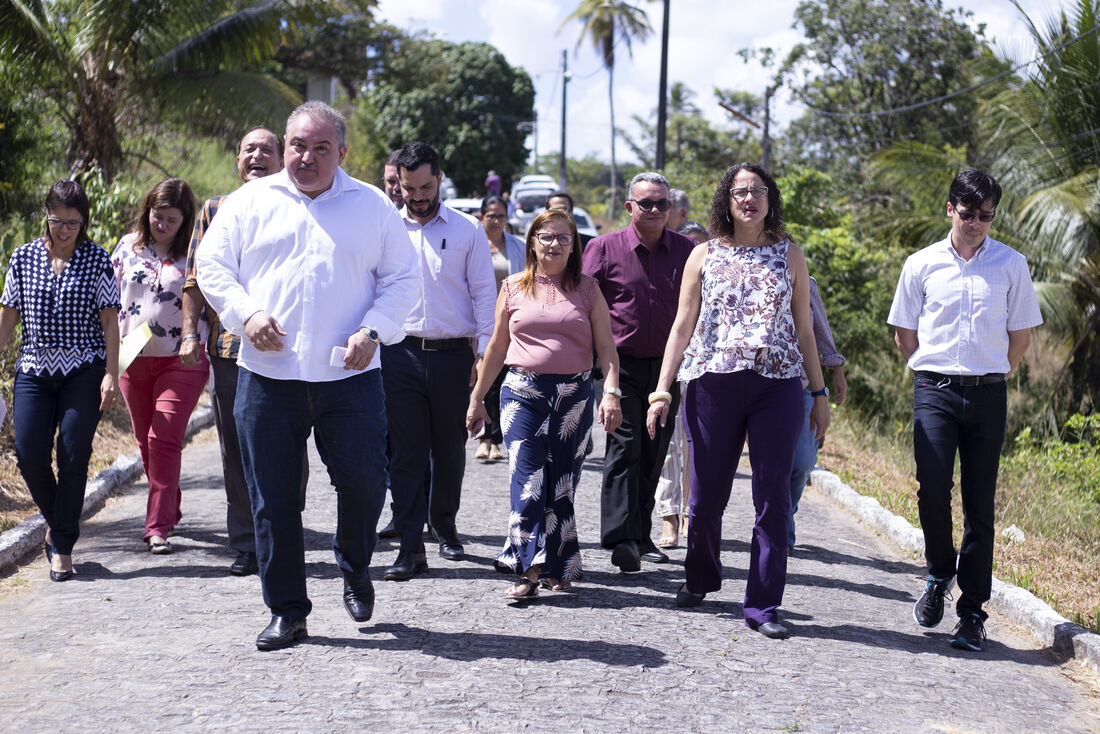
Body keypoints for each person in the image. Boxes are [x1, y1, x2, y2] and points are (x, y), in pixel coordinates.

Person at [197, 100, 419, 650]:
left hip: (350, 378)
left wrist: (373, 331)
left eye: (322, 148)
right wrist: (246, 315)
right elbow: (212, 266)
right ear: (285, 146)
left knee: (367, 487)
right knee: (272, 498)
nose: (307, 157)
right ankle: (287, 610)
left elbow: (403, 280)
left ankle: (354, 562)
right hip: (268, 378)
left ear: (342, 153)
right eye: (298, 145)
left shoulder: (371, 206)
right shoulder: (250, 202)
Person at [647, 162, 830, 640]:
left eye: (758, 191)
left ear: (770, 199)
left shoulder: (791, 255)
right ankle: (700, 577)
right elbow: (683, 326)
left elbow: (805, 330)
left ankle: (763, 605)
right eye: (739, 191)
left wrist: (819, 392)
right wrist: (662, 388)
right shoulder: (703, 254)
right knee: (707, 495)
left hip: (779, 384)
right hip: (713, 383)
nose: (749, 199)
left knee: (771, 498)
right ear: (726, 201)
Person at [887, 169, 1041, 653]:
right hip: (934, 389)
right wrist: (928, 372)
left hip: (988, 393)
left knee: (981, 505)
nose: (977, 223)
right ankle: (938, 575)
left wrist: (994, 373)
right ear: (949, 209)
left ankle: (972, 613)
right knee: (932, 488)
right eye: (969, 213)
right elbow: (904, 331)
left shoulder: (1011, 264)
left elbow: (1021, 334)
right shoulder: (921, 263)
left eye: (986, 215)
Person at [466, 208, 622, 597]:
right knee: (529, 482)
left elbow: (607, 348)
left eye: (563, 238)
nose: (554, 244)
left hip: (574, 397)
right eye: (546, 237)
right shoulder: (513, 287)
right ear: (533, 241)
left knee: (562, 486)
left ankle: (558, 567)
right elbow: (498, 347)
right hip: (522, 394)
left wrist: (613, 394)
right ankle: (527, 570)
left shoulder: (588, 289)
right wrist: (477, 398)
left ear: (574, 246)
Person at [180, 126, 307, 577]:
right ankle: (248, 542)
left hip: (291, 352)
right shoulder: (216, 209)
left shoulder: (301, 205)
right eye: (248, 150)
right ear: (237, 160)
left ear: (282, 160)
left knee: (291, 447)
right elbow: (195, 279)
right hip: (231, 350)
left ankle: (284, 528)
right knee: (236, 450)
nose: (257, 157)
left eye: (267, 151)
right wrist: (189, 334)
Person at [381, 141, 496, 580]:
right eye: (410, 188)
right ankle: (410, 546)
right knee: (405, 454)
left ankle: (444, 525)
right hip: (400, 355)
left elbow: (486, 295)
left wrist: (484, 354)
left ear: (440, 180)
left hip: (453, 359)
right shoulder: (387, 229)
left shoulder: (468, 230)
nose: (419, 195)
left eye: (426, 186)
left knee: (449, 451)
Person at [0, 180, 121, 581]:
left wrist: (110, 375)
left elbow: (110, 323)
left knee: (73, 452)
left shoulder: (97, 259)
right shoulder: (23, 258)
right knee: (29, 451)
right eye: (57, 220)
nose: (64, 230)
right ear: (46, 215)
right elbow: (8, 318)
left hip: (83, 370)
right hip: (34, 369)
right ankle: (59, 519)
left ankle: (63, 547)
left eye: (73, 222)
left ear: (83, 222)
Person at [582, 172, 697, 571]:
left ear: (672, 208)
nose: (653, 210)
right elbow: (583, 307)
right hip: (619, 367)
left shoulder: (687, 251)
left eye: (661, 203)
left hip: (668, 370)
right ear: (629, 206)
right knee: (624, 445)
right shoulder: (602, 249)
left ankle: (641, 534)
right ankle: (621, 537)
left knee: (653, 451)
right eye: (645, 203)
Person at [112, 178, 207, 556]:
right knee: (145, 442)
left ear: (185, 221)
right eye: (156, 215)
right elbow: (106, 299)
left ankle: (157, 527)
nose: (161, 224)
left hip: (182, 357)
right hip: (131, 355)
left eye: (171, 219)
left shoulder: (196, 253)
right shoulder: (126, 247)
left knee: (162, 438)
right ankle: (170, 505)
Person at [787, 277, 847, 552]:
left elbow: (818, 330)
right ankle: (780, 532)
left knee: (802, 462)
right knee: (772, 466)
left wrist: (835, 369)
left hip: (800, 386)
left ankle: (785, 511)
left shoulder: (805, 282)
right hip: (760, 388)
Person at [474, 194, 526, 463]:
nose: (496, 221)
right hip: (477, 325)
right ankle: (484, 437)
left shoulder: (517, 246)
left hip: (508, 325)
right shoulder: (473, 244)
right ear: (481, 216)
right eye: (491, 215)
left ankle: (495, 439)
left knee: (503, 381)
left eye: (501, 216)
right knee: (483, 381)